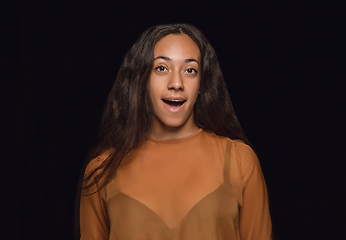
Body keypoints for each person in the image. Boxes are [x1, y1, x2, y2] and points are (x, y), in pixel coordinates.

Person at [78, 23, 273, 240]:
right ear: (142, 79)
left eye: (190, 70)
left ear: (202, 85)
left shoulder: (240, 161)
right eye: (162, 68)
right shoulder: (101, 171)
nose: (177, 83)